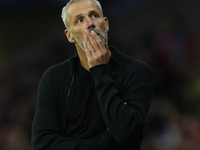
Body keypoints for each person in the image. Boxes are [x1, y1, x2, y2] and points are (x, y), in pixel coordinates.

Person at [31, 0, 154, 149]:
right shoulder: (54, 78)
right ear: (69, 35)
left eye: (94, 15)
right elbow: (42, 145)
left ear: (106, 23)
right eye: (80, 20)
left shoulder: (137, 71)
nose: (90, 23)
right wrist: (105, 141)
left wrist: (99, 70)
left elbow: (125, 133)